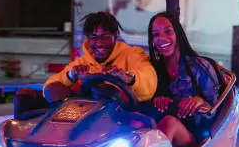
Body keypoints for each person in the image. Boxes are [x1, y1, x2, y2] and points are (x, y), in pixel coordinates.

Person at [14, 12, 157, 118]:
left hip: (121, 119)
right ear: (88, 39)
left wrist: (127, 78)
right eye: (94, 38)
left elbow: (149, 81)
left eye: (105, 37)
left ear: (115, 36)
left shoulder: (132, 54)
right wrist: (71, 76)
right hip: (87, 121)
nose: (99, 43)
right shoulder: (83, 62)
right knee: (25, 96)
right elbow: (50, 87)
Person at [148, 12, 222, 147]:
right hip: (159, 135)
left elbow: (218, 112)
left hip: (196, 142)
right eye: (156, 34)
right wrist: (157, 101)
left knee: (169, 122)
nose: (161, 38)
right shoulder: (151, 70)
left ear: (178, 34)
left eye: (168, 31)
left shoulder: (200, 67)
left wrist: (199, 102)